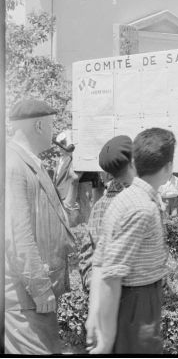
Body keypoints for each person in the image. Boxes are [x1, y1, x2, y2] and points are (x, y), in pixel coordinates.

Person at [86, 127, 176, 354]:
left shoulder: (125, 199)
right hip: (137, 307)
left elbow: (99, 261)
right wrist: (106, 341)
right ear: (168, 168)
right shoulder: (141, 208)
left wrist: (93, 313)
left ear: (134, 162)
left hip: (134, 303)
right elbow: (112, 275)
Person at [5, 99, 75, 354]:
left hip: (31, 296)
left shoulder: (27, 161)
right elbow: (17, 234)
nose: (53, 131)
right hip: (25, 297)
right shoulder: (13, 165)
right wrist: (40, 287)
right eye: (51, 125)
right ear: (38, 125)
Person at [79, 135, 136, 291]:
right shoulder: (137, 201)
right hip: (131, 296)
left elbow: (87, 253)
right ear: (133, 164)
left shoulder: (99, 205)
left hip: (104, 294)